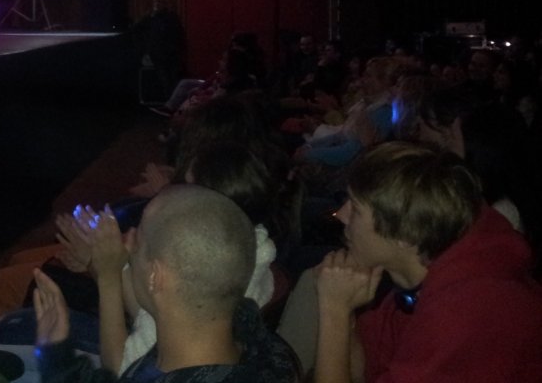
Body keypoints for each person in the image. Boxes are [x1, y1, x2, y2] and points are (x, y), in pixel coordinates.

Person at [312, 141, 542, 383]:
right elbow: (364, 369)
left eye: (356, 209)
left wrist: (333, 310)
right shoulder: (419, 276)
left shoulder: (462, 315)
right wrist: (345, 312)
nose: (341, 215)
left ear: (404, 234)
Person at [34, 184, 300, 382]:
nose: (129, 246)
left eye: (137, 242)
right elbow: (159, 303)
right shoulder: (271, 353)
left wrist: (53, 356)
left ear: (155, 276)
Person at [131, 0, 186, 101]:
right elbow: (136, 29)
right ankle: (169, 103)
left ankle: (172, 103)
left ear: (165, 3)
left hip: (171, 55)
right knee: (165, 81)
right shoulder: (150, 17)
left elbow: (179, 35)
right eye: (155, 1)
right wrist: (144, 46)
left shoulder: (172, 17)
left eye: (159, 1)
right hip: (158, 55)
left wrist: (178, 50)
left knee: (173, 81)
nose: (156, 3)